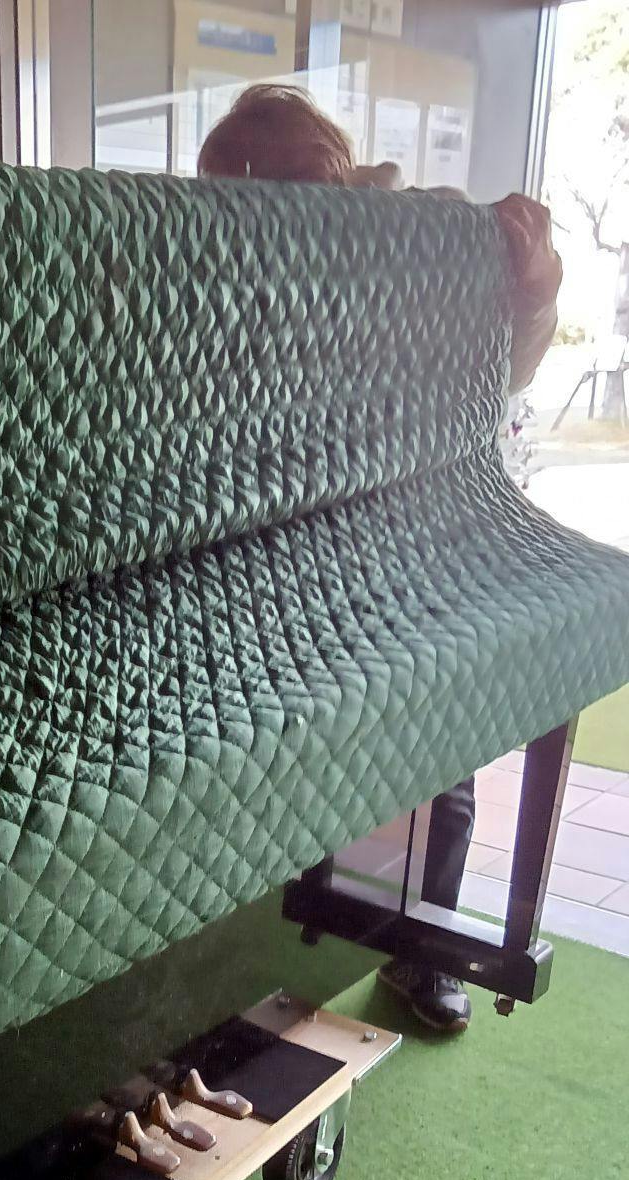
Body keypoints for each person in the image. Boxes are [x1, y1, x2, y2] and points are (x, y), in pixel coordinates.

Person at [198, 84, 563, 1033]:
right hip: (291, 534)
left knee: (446, 739)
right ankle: (282, 928)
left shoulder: (419, 231)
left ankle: (421, 952)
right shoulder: (223, 266)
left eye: (305, 175)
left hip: (419, 524)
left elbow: (508, 368)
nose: (291, 203)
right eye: (257, 189)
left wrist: (532, 282)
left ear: (338, 162)